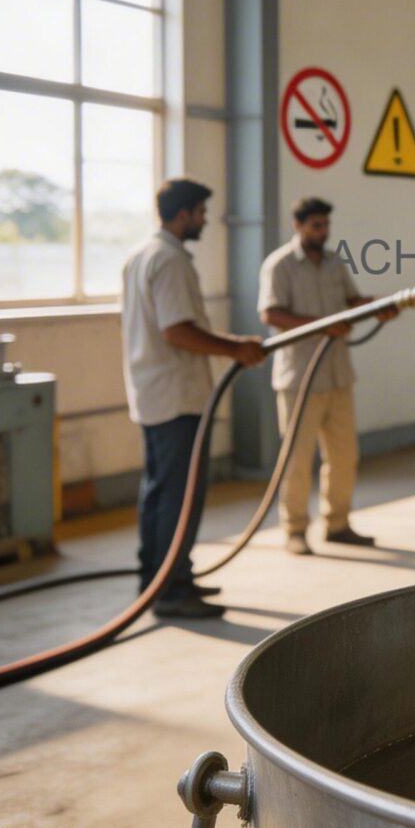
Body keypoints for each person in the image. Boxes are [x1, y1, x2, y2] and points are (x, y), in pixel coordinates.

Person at [121, 179, 267, 620]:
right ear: (183, 213)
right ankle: (171, 591)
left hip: (154, 393)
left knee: (160, 492)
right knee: (178, 496)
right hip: (176, 396)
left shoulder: (141, 254)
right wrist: (235, 347)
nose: (206, 219)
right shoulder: (168, 260)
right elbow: (177, 330)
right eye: (202, 211)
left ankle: (160, 579)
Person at [259, 197, 388, 555]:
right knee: (298, 460)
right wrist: (321, 327)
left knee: (344, 456)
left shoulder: (334, 263)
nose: (323, 231)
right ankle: (295, 530)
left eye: (325, 225)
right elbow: (270, 314)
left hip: (338, 375)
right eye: (316, 225)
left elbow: (351, 301)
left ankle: (338, 524)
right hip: (299, 379)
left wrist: (379, 307)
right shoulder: (280, 266)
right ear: (297, 225)